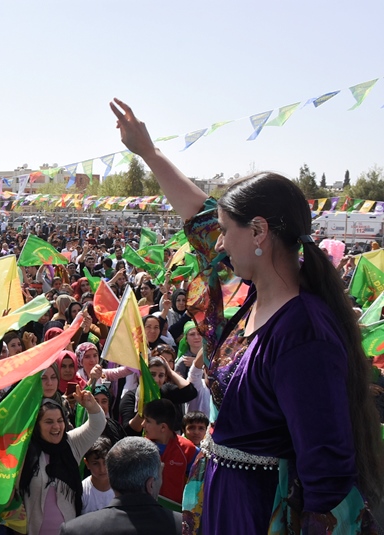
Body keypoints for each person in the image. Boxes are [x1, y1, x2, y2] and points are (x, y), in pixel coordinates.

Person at [110, 98, 383, 532]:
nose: (217, 244)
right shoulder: (253, 302)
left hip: (258, 512)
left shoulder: (303, 330)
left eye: (226, 231)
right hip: (228, 499)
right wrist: (148, 152)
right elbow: (200, 217)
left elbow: (326, 471)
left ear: (257, 231)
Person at [18, 389, 106, 535]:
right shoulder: (24, 450)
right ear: (36, 425)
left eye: (60, 421)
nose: (56, 427)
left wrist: (91, 405)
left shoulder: (71, 444)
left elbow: (97, 424)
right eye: (48, 422)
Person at [59, 437, 182, 535]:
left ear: (112, 480)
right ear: (150, 484)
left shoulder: (75, 530)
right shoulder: (185, 528)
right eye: (159, 475)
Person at [141, 399, 198, 510]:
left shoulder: (188, 449)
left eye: (147, 421)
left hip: (176, 514)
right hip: (146, 512)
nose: (143, 424)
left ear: (163, 427)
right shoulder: (139, 448)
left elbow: (199, 485)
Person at [81, 437, 114, 514]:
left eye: (105, 462)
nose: (102, 469)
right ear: (87, 463)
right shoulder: (82, 491)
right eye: (96, 464)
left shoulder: (122, 488)